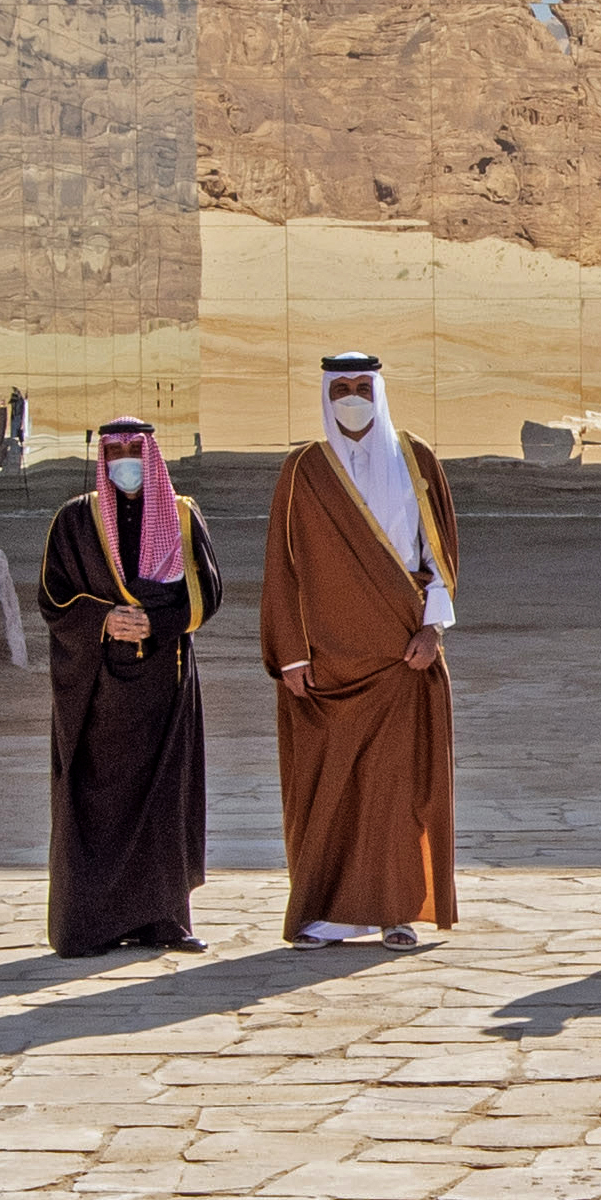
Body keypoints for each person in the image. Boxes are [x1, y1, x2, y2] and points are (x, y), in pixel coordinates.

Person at [261, 349, 459, 945]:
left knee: (398, 789)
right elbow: (282, 567)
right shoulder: (303, 470)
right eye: (340, 386)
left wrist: (433, 630)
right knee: (331, 789)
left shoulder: (415, 458)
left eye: (361, 386)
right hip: (326, 666)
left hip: (402, 656)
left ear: (378, 390)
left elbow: (440, 555)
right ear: (326, 393)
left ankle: (397, 910)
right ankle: (330, 912)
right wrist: (290, 655)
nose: (351, 397)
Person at [37, 414, 218, 956]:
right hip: (99, 698)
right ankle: (90, 925)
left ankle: (165, 920)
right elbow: (53, 598)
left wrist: (156, 622)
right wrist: (105, 620)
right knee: (96, 804)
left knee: (165, 801)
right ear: (102, 457)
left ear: (152, 453)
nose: (124, 462)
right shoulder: (74, 520)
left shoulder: (182, 517)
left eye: (133, 450)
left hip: (165, 686)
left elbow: (207, 593)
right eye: (113, 452)